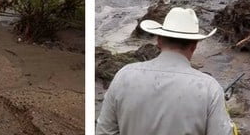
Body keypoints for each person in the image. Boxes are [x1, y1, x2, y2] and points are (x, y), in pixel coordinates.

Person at [95, 7, 234, 135]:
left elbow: (104, 131)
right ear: (194, 45)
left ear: (159, 41)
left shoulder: (123, 75)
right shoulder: (210, 89)